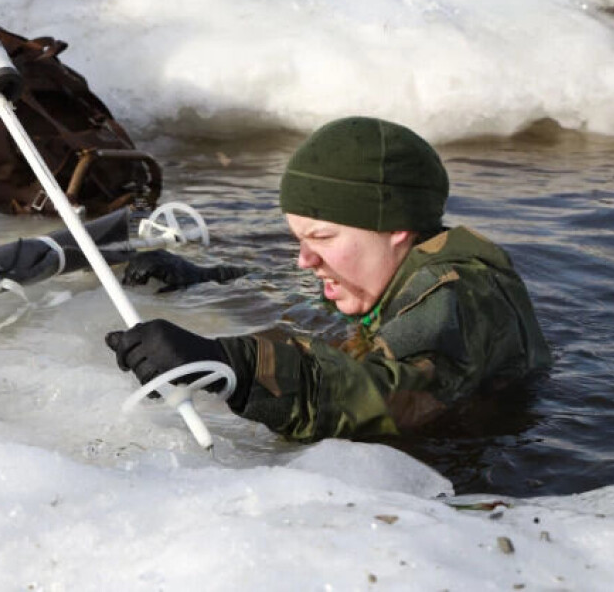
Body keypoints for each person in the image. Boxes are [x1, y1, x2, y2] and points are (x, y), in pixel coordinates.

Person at [105, 116, 552, 441]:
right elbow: (298, 292)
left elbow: (385, 394)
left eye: (321, 236)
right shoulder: (397, 268)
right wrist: (210, 277)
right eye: (299, 238)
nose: (304, 260)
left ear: (396, 226)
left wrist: (232, 365)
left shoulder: (455, 292)